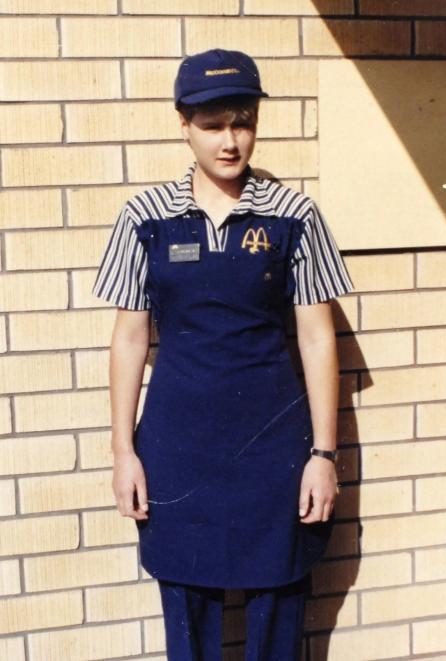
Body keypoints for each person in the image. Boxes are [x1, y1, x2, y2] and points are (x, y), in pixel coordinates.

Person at [92, 48, 355, 661]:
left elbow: (318, 337)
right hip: (178, 448)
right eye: (212, 126)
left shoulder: (295, 215)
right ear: (183, 124)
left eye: (242, 122)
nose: (230, 141)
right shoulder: (145, 218)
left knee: (278, 604)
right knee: (188, 610)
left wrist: (323, 454)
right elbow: (130, 338)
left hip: (274, 450)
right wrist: (122, 451)